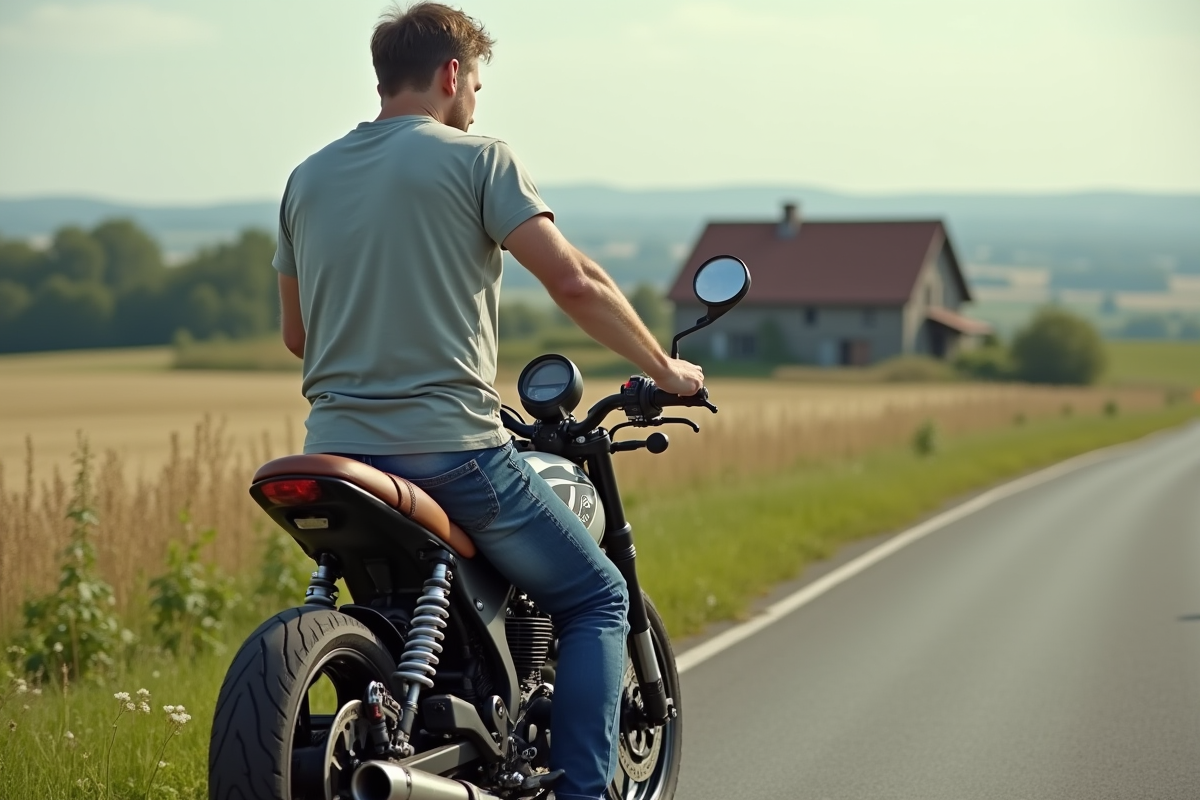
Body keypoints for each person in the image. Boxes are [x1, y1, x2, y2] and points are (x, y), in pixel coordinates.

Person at [272, 4, 703, 798]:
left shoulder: (308, 177)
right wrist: (666, 368)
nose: (476, 97)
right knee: (600, 598)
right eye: (476, 80)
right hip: (448, 449)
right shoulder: (480, 159)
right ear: (449, 75)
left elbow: (299, 336)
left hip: (332, 449)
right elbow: (574, 279)